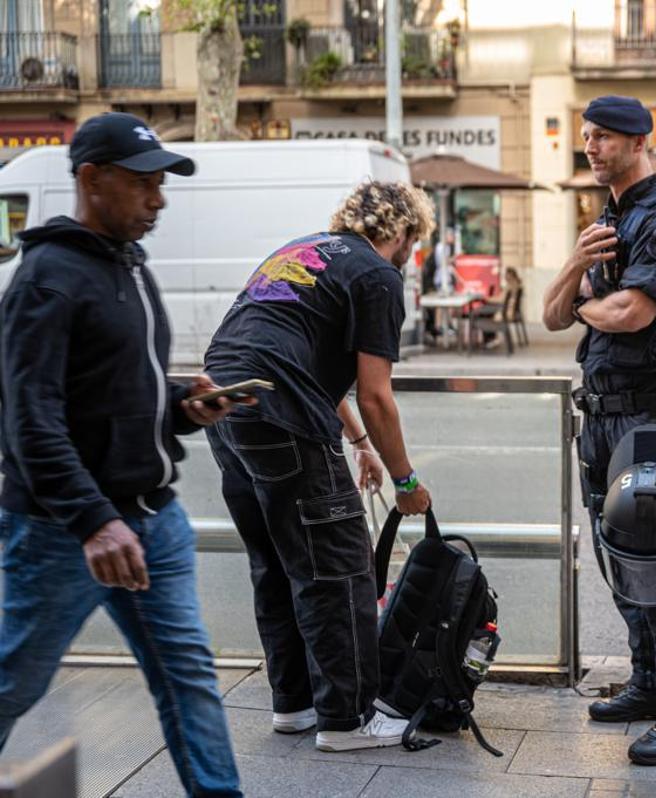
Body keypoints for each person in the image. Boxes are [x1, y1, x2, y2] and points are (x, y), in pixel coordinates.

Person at [0, 112, 242, 796]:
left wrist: (181, 407)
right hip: (63, 532)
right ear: (91, 179)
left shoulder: (128, 265)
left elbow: (111, 392)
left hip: (150, 522)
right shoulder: (46, 278)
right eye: (144, 183)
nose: (158, 199)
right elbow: (29, 420)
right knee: (15, 678)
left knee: (188, 673)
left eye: (161, 183)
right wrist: (92, 521)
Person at [203, 181, 435, 752]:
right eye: (414, 240)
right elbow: (377, 394)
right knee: (337, 567)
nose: (412, 253)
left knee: (277, 562)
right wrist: (407, 481)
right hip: (284, 418)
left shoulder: (299, 252)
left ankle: (295, 704)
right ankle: (348, 719)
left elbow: (296, 356)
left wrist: (360, 444)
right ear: (401, 230)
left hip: (225, 406)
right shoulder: (378, 275)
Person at [542, 95, 656, 766]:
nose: (591, 147)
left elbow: (635, 311)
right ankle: (648, 684)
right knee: (622, 563)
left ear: (642, 141)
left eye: (605, 137)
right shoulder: (608, 223)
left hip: (649, 418)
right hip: (603, 414)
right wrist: (572, 266)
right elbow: (554, 315)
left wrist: (584, 298)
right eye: (587, 136)